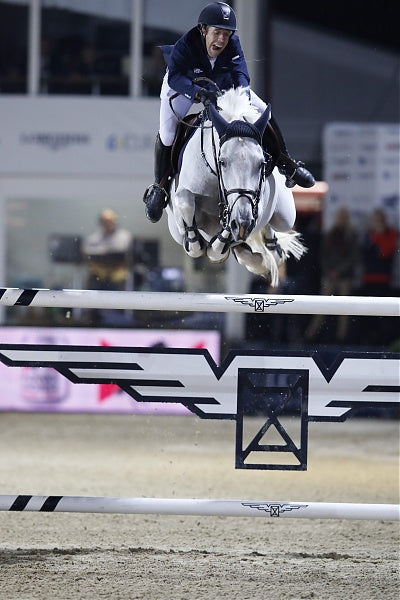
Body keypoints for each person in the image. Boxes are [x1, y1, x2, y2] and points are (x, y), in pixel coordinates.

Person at [143, 1, 315, 223]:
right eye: (217, 33)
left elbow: (241, 74)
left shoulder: (232, 44)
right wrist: (198, 93)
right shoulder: (186, 44)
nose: (222, 40)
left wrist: (241, 95)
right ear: (203, 30)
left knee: (264, 111)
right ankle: (160, 186)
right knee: (167, 133)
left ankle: (285, 161)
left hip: (220, 86)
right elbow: (176, 77)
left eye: (226, 34)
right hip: (184, 86)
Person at [305, 207, 359, 343]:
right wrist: (330, 271)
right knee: (321, 307)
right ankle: (309, 337)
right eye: (339, 216)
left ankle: (342, 338)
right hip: (330, 276)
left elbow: (353, 257)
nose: (341, 219)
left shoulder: (352, 235)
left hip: (345, 277)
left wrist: (338, 271)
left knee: (344, 310)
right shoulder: (330, 234)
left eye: (344, 216)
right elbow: (323, 256)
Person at [82, 209, 133, 293]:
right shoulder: (93, 238)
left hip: (118, 271)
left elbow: (129, 255)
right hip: (99, 273)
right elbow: (87, 255)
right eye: (106, 221)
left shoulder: (125, 237)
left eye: (111, 221)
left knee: (121, 276)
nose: (109, 224)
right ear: (101, 222)